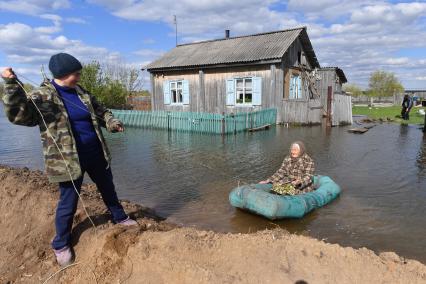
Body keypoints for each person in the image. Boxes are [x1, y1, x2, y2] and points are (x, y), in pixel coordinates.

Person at [1, 53, 137, 267]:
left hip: (96, 153)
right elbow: (18, 115)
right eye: (76, 73)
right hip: (66, 160)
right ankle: (61, 244)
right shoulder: (42, 96)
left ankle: (119, 217)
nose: (79, 77)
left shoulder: (82, 93)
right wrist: (10, 84)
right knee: (68, 202)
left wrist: (111, 122)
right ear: (63, 74)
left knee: (108, 188)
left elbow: (102, 111)